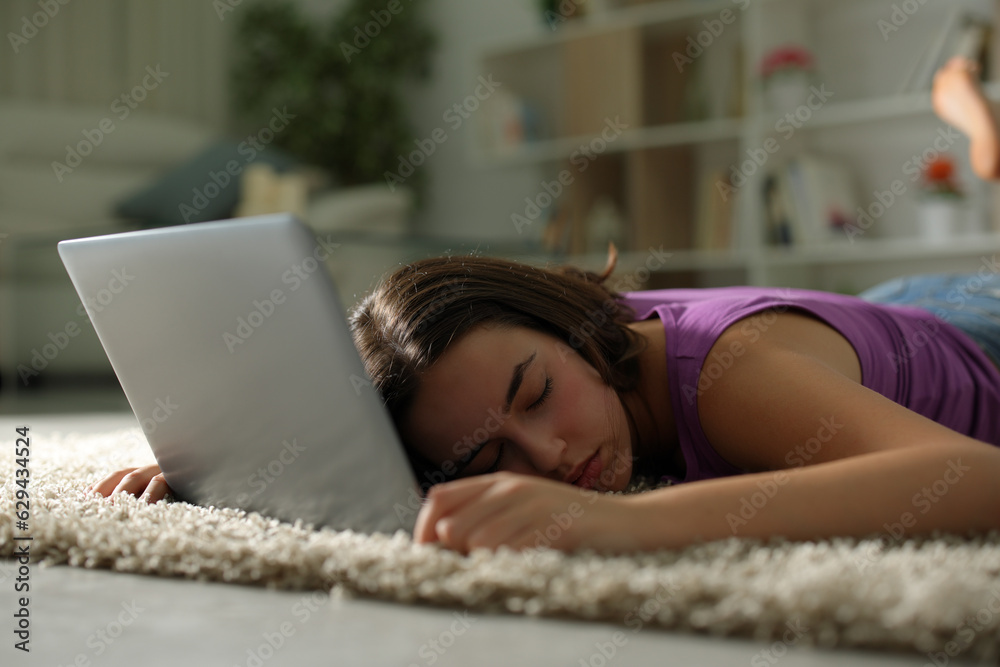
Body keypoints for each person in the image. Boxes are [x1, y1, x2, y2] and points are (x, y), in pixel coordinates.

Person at [90, 57, 1000, 555]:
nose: (552, 461)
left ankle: (974, 120)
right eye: (490, 455)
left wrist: (630, 520)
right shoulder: (532, 375)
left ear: (574, 330)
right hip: (876, 324)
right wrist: (233, 476)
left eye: (535, 396)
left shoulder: (729, 374)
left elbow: (975, 481)